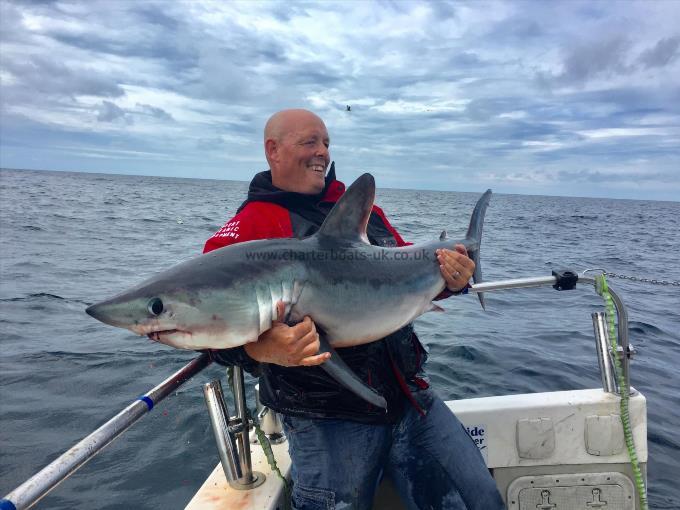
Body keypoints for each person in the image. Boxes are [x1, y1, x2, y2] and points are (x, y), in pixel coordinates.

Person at [204, 109, 505, 510]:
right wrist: (259, 349)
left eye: (326, 143)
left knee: (481, 502)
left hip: (409, 397)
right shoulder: (252, 227)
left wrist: (453, 280)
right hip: (328, 421)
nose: (322, 153)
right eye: (310, 142)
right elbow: (203, 322)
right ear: (273, 150)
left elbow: (399, 279)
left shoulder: (364, 212)